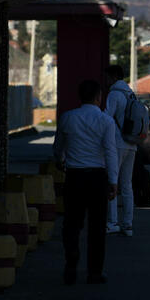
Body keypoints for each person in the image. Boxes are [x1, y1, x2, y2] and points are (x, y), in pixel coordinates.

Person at [52, 79, 118, 284]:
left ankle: (71, 264)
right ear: (99, 97)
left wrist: (60, 161)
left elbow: (58, 147)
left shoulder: (67, 118)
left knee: (72, 224)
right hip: (97, 177)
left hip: (74, 177)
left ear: (80, 96)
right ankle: (94, 272)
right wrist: (113, 180)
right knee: (97, 227)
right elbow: (110, 152)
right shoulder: (106, 121)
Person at [104, 64, 148, 237]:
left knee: (112, 183)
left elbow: (106, 118)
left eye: (107, 77)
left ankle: (112, 222)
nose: (105, 80)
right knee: (127, 185)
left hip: (117, 143)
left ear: (113, 77)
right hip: (132, 144)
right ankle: (128, 224)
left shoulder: (114, 94)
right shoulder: (130, 94)